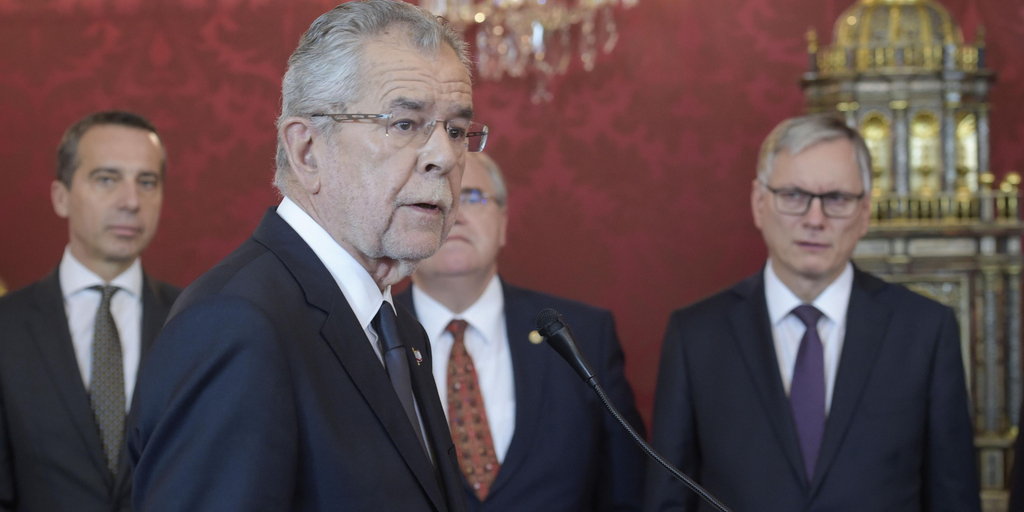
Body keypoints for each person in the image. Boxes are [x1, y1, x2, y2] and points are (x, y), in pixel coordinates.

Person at [128, 1, 487, 510]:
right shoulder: (236, 327)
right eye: (406, 123)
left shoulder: (400, 330)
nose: (444, 157)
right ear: (307, 150)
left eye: (455, 130)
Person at [644, 114, 981, 511]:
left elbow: (954, 497)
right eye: (793, 195)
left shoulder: (925, 332)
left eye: (837, 199)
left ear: (865, 213)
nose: (814, 219)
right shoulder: (697, 337)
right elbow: (668, 499)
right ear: (759, 203)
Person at [396, 152, 646, 512]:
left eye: (472, 197)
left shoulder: (584, 335)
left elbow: (628, 494)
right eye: (434, 200)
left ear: (503, 222)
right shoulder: (366, 337)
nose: (456, 215)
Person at [0, 110, 180, 512]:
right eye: (107, 179)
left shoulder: (196, 322)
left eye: (146, 182)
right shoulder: (6, 327)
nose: (131, 202)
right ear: (61, 197)